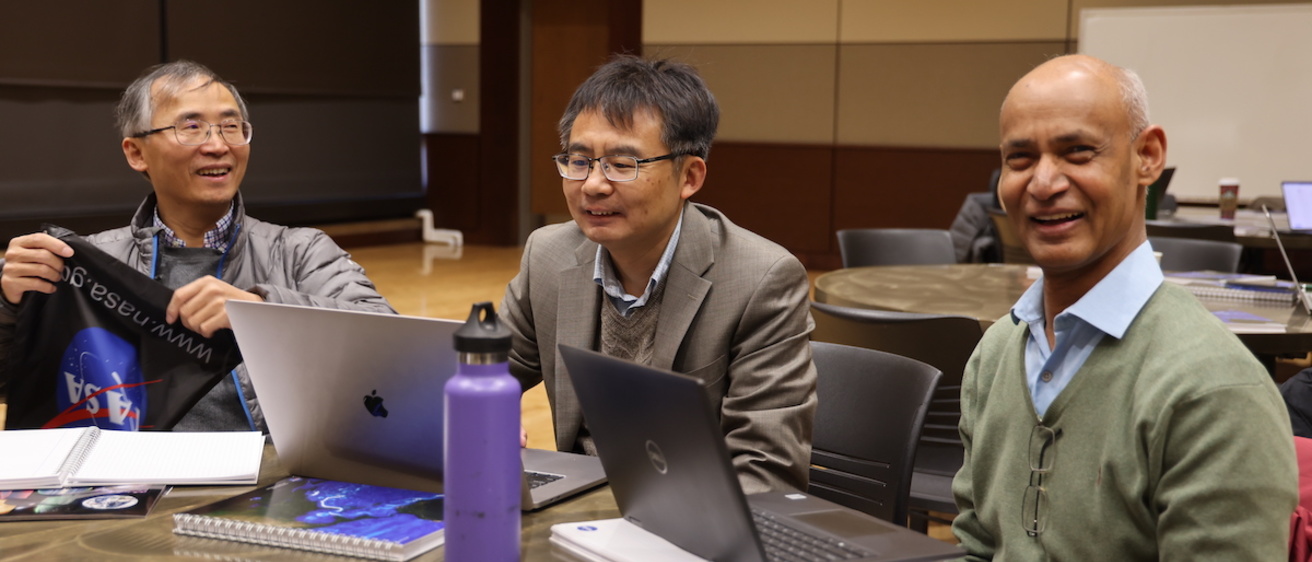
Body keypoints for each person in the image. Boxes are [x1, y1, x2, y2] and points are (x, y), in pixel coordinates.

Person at [951, 54, 1298, 560]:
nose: (1043, 184)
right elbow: (977, 546)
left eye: (1077, 152)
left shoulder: (1214, 388)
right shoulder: (996, 353)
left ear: (1148, 157)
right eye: (1020, 159)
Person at [0, 60, 394, 431]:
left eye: (231, 126)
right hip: (128, 482)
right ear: (137, 153)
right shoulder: (87, 265)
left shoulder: (300, 251)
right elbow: (15, 384)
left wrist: (259, 311)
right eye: (191, 127)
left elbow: (391, 349)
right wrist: (8, 305)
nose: (218, 145)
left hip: (266, 480)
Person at [500, 55, 817, 495]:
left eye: (622, 164)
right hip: (576, 511)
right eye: (579, 160)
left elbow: (765, 474)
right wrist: (482, 408)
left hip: (693, 523)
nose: (593, 184)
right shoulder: (549, 255)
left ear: (689, 176)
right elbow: (483, 369)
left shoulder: (760, 279)